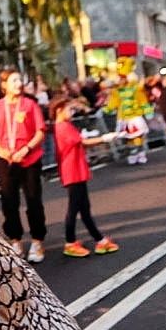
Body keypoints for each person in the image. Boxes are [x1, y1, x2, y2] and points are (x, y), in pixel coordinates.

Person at [0, 69, 47, 262]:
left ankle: (37, 241)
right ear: (4, 85)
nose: (18, 83)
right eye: (14, 80)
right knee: (8, 201)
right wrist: (1, 152)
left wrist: (27, 149)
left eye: (20, 79)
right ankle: (15, 240)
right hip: (6, 159)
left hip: (29, 158)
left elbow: (40, 131)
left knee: (33, 199)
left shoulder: (30, 104)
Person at [50, 99, 119, 257]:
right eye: (69, 109)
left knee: (83, 209)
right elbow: (83, 142)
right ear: (59, 110)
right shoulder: (63, 127)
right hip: (72, 171)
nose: (72, 112)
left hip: (75, 170)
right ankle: (71, 242)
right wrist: (104, 139)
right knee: (74, 209)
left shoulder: (63, 126)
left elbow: (81, 143)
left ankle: (98, 240)